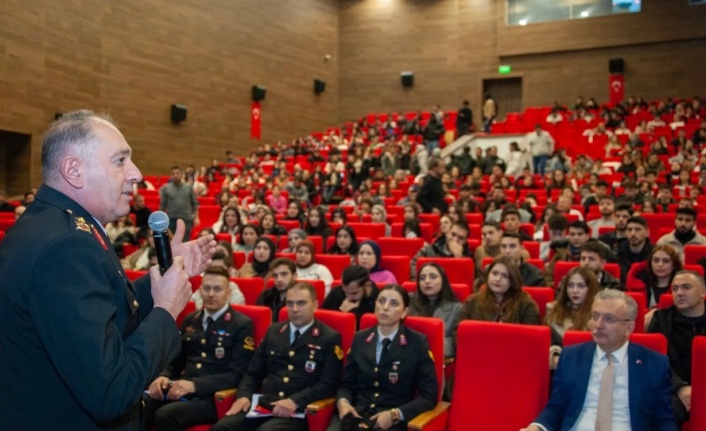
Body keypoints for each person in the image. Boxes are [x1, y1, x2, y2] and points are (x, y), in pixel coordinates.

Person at [0, 110, 216, 429]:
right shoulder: (66, 246)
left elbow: (97, 306)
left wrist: (164, 271)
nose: (137, 174)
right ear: (74, 170)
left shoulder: (57, 226)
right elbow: (111, 392)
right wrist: (167, 309)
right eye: (120, 160)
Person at [521, 289, 678, 431]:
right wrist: (536, 427)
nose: (598, 325)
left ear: (629, 328)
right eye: (595, 316)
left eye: (609, 319)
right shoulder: (571, 356)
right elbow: (556, 407)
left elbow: (663, 419)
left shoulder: (655, 363)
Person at [213, 282, 343, 431]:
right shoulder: (274, 331)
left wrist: (295, 401)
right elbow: (253, 373)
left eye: (301, 304)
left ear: (315, 305)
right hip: (265, 405)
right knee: (222, 427)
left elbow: (328, 384)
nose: (294, 309)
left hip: (298, 411)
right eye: (290, 303)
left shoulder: (329, 337)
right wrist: (243, 396)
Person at [143, 266, 255, 430]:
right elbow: (176, 359)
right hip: (181, 389)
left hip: (213, 396)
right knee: (141, 405)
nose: (210, 294)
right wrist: (164, 376)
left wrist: (195, 385)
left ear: (228, 293)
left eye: (217, 289)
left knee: (166, 415)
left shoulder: (241, 324)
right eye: (207, 288)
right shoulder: (191, 319)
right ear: (200, 291)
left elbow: (237, 374)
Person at [328, 285, 438, 431]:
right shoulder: (360, 338)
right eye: (381, 301)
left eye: (393, 303)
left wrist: (395, 415)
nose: (385, 307)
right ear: (375, 307)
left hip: (392, 421)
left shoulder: (417, 343)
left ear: (404, 312)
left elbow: (429, 396)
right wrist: (343, 403)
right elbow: (347, 385)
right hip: (357, 414)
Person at [647, 270, 706, 425]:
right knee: (661, 409)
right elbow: (655, 362)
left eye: (686, 287)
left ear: (703, 291)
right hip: (674, 388)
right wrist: (680, 387)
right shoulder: (661, 320)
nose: (679, 293)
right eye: (674, 288)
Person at [457, 256, 541, 325]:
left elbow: (530, 338)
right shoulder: (472, 302)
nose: (498, 279)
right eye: (494, 273)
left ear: (513, 279)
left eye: (504, 276)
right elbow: (459, 333)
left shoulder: (527, 305)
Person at [545, 267, 600, 367]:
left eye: (581, 286)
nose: (574, 291)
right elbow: (546, 343)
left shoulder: (599, 316)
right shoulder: (553, 312)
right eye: (570, 286)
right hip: (559, 366)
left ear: (591, 289)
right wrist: (555, 355)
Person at [409, 263, 462, 358]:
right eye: (422, 278)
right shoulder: (409, 305)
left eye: (433, 277)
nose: (427, 281)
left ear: (443, 281)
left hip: (441, 360)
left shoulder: (457, 308)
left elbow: (457, 343)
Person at [627, 245, 683, 309]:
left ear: (674, 265)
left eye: (666, 261)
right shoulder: (639, 284)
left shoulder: (681, 289)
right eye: (656, 260)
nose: (660, 265)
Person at [160, 165, 200, 239]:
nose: (175, 175)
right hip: (171, 221)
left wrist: (197, 217)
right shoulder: (166, 188)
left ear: (181, 174)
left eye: (178, 173)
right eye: (173, 173)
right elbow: (162, 206)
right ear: (171, 175)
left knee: (185, 243)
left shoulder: (189, 187)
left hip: (186, 220)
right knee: (171, 243)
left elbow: (195, 203)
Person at [257, 258, 296, 322]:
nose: (279, 279)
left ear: (294, 276)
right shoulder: (265, 296)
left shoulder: (301, 298)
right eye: (275, 275)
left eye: (284, 274)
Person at [618, 216, 653, 283]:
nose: (633, 234)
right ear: (625, 233)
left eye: (637, 229)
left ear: (647, 233)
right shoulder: (618, 251)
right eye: (629, 229)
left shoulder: (654, 253)